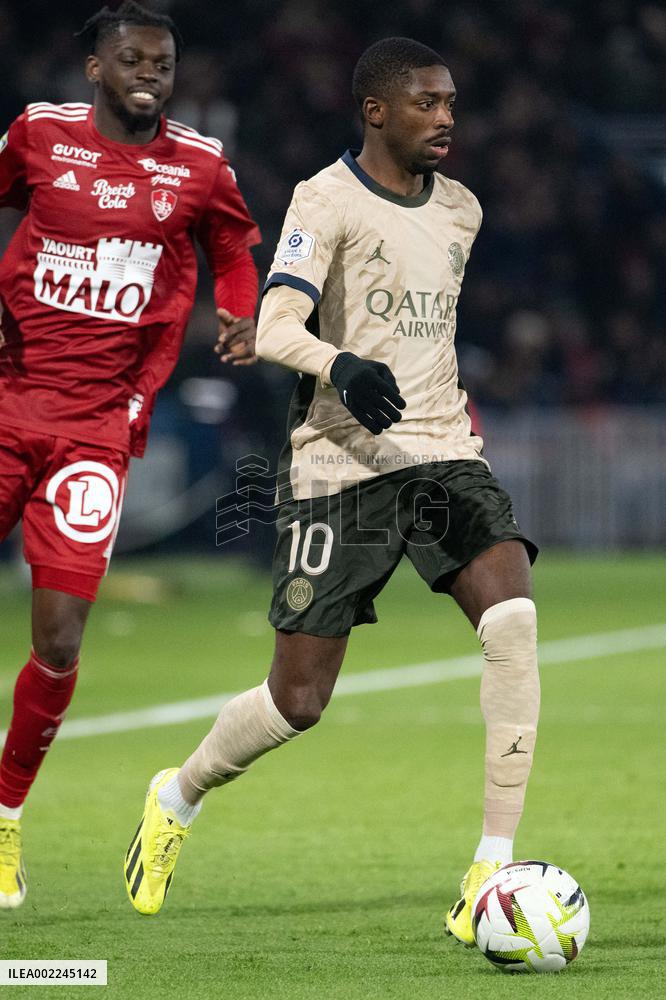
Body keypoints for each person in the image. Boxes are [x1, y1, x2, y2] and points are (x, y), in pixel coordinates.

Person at [124, 36, 539, 945]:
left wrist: (446, 406)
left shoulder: (461, 209)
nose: (448, 121)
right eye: (429, 104)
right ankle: (179, 792)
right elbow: (275, 323)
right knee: (297, 701)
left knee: (511, 617)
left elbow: (430, 325)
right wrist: (339, 362)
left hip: (439, 453)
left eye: (455, 104)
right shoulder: (325, 197)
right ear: (377, 110)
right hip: (337, 467)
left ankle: (491, 870)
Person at [0, 1, 260, 909]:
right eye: (134, 58)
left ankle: (3, 822)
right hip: (4, 402)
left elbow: (230, 241)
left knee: (61, 640)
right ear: (96, 69)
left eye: (164, 61)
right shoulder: (37, 135)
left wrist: (239, 307)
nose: (152, 72)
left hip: (99, 429)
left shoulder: (198, 165)